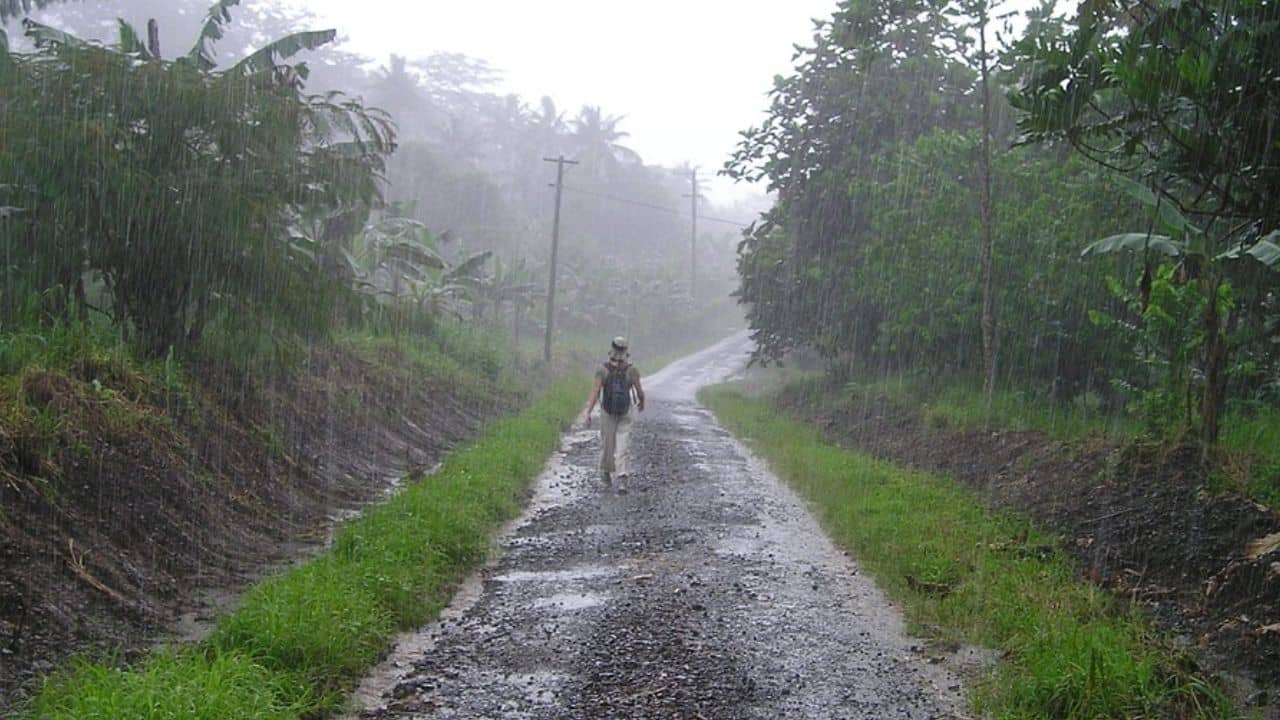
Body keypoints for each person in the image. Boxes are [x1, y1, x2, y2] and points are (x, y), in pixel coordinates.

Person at [586, 336, 645, 490]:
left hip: (607, 411)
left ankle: (606, 473)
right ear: (626, 351)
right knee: (623, 445)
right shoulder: (632, 370)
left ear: (612, 349)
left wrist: (589, 411)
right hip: (625, 411)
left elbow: (596, 391)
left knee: (607, 443)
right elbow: (639, 391)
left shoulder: (602, 370)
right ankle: (622, 477)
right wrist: (641, 403)